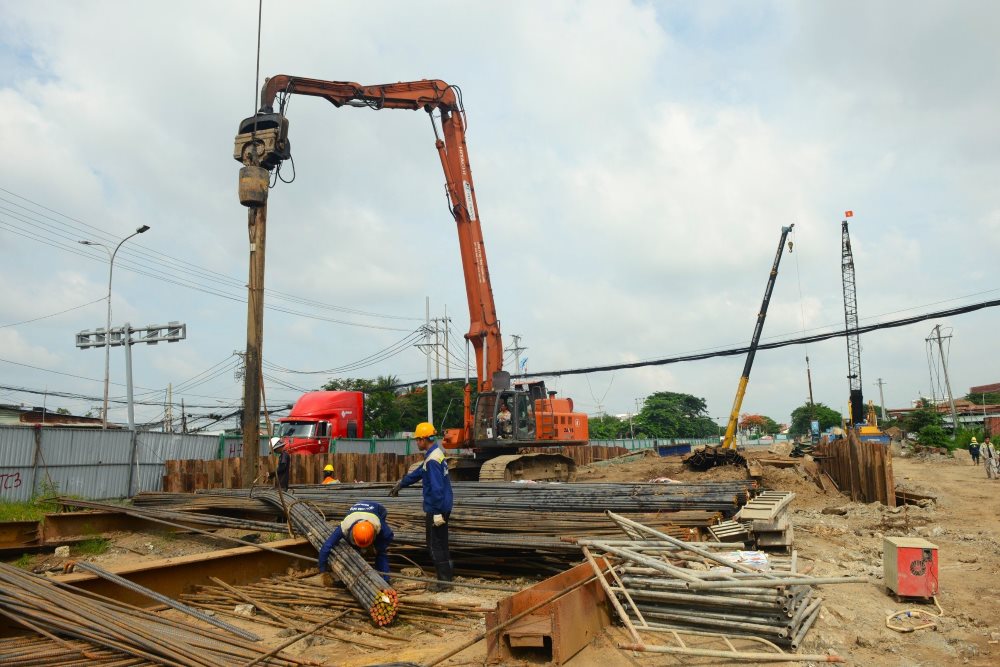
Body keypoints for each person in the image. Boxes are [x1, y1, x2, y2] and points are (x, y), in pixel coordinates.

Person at [389, 421, 453, 590]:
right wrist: (402, 483)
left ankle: (444, 584)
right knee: (441, 543)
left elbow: (437, 488)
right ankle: (446, 578)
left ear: (425, 439)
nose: (417, 442)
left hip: (436, 508)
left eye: (418, 439)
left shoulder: (432, 460)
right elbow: (418, 473)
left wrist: (437, 512)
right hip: (443, 505)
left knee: (434, 545)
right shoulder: (435, 454)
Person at [317, 500, 394, 581]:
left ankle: (385, 579)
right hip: (357, 512)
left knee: (381, 552)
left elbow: (389, 536)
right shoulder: (345, 526)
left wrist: (378, 548)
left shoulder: (378, 524)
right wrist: (322, 569)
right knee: (354, 548)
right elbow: (327, 546)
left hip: (378, 509)